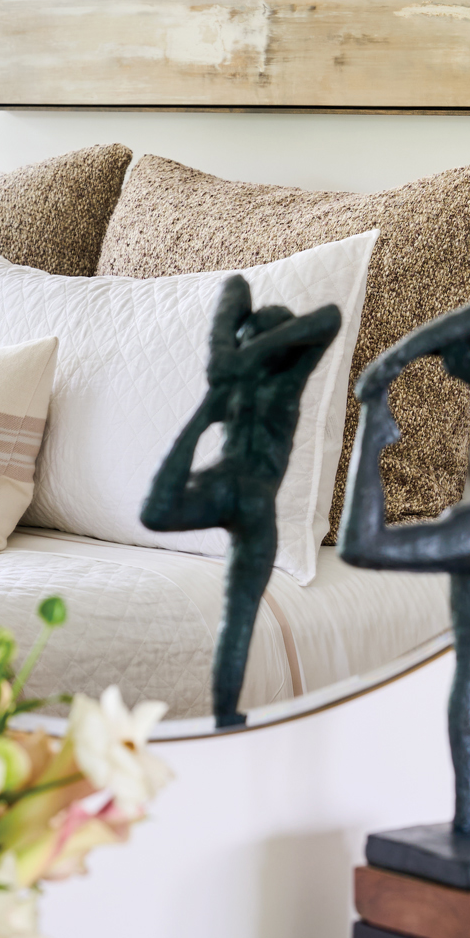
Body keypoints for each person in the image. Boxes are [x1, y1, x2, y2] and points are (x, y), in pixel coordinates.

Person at [338, 290, 470, 835]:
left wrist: (394, 360)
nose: (454, 369)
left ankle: (374, 435)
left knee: (368, 549)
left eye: (461, 357)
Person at [142, 275, 341, 727]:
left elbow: (330, 316)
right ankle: (227, 722)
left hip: (243, 490)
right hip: (243, 490)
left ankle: (226, 723)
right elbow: (234, 285)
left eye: (256, 340)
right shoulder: (255, 380)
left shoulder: (287, 376)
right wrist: (224, 358)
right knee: (236, 623)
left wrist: (241, 357)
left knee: (237, 622)